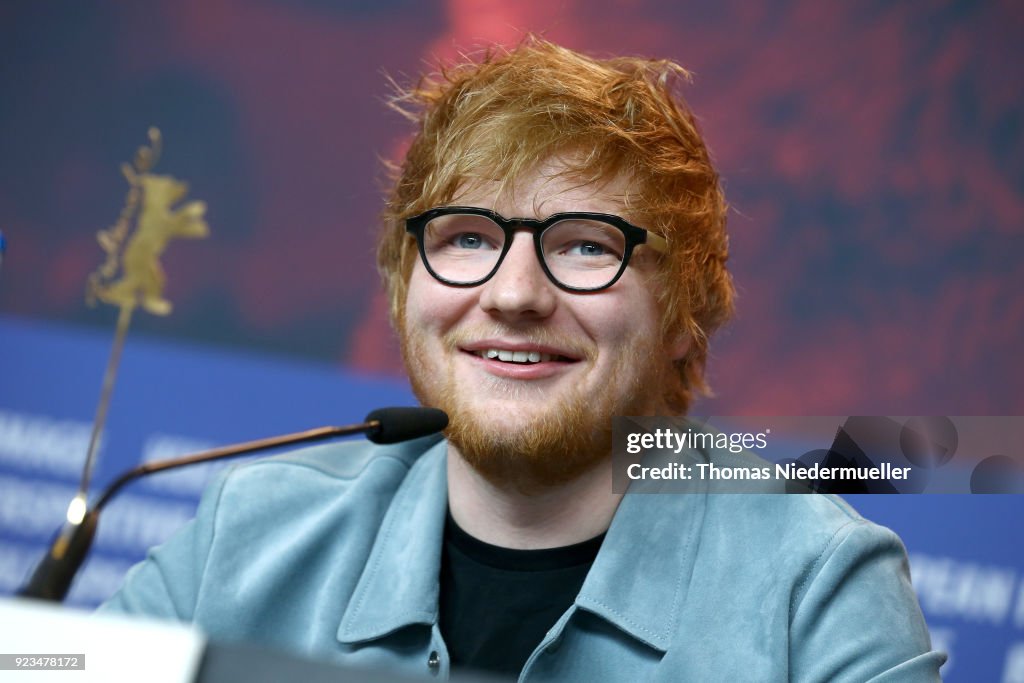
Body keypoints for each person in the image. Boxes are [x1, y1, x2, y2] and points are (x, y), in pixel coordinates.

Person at [101, 39, 945, 680]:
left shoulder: (819, 588)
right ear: (404, 291)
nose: (514, 293)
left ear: (684, 316)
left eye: (585, 245)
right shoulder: (246, 534)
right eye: (467, 237)